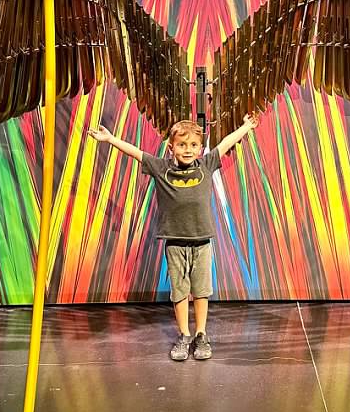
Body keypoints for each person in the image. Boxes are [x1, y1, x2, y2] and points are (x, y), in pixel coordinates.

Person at [87, 113, 259, 361]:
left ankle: (201, 334)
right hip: (174, 242)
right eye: (182, 145)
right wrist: (111, 139)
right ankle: (184, 335)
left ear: (200, 148)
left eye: (193, 145)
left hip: (201, 241)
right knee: (179, 291)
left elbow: (226, 143)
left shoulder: (206, 165)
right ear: (171, 148)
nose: (188, 150)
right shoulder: (161, 168)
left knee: (201, 291)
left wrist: (245, 127)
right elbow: (136, 153)